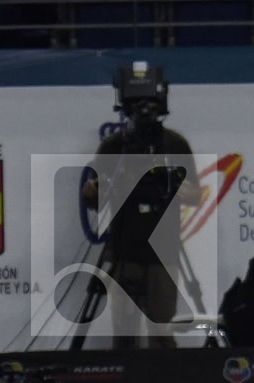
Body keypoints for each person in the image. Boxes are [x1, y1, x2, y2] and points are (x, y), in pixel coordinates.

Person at [80, 69, 201, 349]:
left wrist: (177, 187)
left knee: (161, 327)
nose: (144, 110)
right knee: (124, 331)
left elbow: (194, 193)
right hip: (124, 246)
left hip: (164, 247)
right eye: (138, 105)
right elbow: (96, 199)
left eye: (150, 104)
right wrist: (93, 192)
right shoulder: (114, 147)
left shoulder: (174, 144)